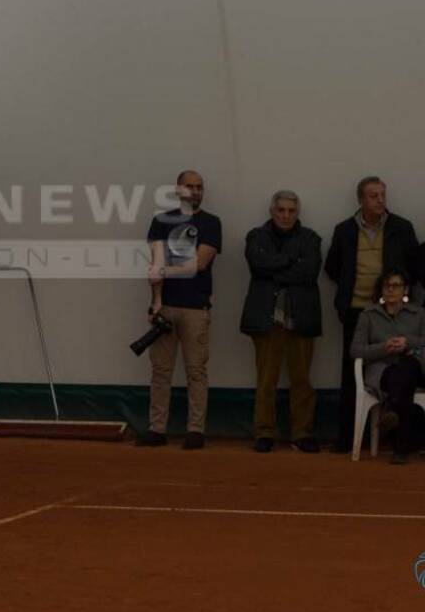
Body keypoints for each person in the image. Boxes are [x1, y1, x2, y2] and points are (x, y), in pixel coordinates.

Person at [324, 177, 418, 452]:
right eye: (374, 196)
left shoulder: (401, 228)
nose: (380, 200)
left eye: (382, 195)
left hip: (394, 310)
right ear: (361, 200)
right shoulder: (345, 230)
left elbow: (413, 267)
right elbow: (332, 267)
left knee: (399, 364)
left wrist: (396, 296)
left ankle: (397, 437)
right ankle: (348, 438)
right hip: (356, 308)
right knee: (350, 372)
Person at [138, 170, 222, 450]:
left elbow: (199, 264)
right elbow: (155, 266)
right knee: (160, 372)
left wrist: (163, 268)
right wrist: (156, 301)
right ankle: (156, 429)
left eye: (200, 187)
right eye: (190, 186)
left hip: (196, 308)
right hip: (167, 306)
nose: (195, 191)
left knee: (196, 371)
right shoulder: (161, 221)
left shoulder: (211, 223)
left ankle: (195, 431)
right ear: (178, 189)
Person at [240, 191, 322, 453]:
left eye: (291, 211)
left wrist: (274, 267)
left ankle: (302, 433)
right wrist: (290, 260)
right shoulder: (256, 236)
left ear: (297, 213)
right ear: (272, 211)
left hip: (301, 317)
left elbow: (309, 272)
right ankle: (264, 432)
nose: (286, 215)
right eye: (281, 210)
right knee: (267, 379)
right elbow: (257, 265)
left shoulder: (310, 238)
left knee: (302, 379)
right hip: (267, 318)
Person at [350, 268, 425, 464]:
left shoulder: (419, 314)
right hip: (382, 371)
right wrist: (383, 348)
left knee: (407, 367)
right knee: (402, 382)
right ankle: (401, 448)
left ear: (406, 290)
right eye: (386, 285)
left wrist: (407, 343)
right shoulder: (369, 315)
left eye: (396, 285)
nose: (390, 290)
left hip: (414, 367)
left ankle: (391, 409)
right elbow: (356, 350)